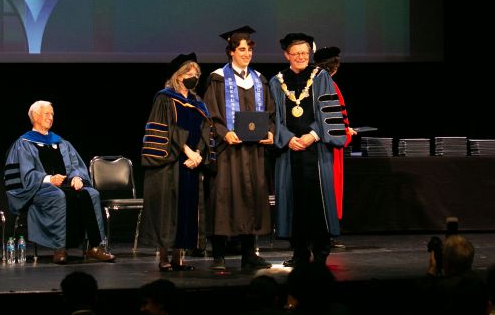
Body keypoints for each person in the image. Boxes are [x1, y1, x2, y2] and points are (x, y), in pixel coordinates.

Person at [4, 101, 115, 264]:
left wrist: (77, 177)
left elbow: (75, 165)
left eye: (52, 114)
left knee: (91, 193)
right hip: (39, 189)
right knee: (58, 195)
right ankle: (60, 248)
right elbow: (24, 175)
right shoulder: (23, 144)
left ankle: (94, 247)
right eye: (46, 114)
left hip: (66, 185)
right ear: (35, 116)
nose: (51, 117)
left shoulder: (61, 142)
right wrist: (49, 179)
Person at [269, 33, 347, 267]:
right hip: (289, 150)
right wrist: (287, 138)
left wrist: (313, 135)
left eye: (305, 53)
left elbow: (328, 110)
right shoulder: (276, 81)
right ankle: (299, 252)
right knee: (293, 201)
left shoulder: (321, 77)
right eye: (296, 53)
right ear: (287, 55)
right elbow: (273, 118)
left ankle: (321, 251)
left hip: (316, 149)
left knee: (318, 200)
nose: (301, 57)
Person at [203, 25, 274, 271]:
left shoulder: (259, 80)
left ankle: (249, 254)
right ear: (231, 52)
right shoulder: (217, 79)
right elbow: (210, 114)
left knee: (251, 197)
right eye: (241, 49)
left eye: (249, 50)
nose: (246, 54)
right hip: (228, 153)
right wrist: (225, 132)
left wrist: (270, 133)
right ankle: (219, 255)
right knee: (224, 200)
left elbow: (270, 114)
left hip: (253, 152)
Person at [140, 53, 211, 271]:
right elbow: (165, 130)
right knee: (167, 211)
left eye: (196, 74)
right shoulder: (165, 98)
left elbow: (206, 130)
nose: (194, 77)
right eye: (189, 73)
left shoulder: (198, 102)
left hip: (191, 165)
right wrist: (188, 151)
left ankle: (179, 257)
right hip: (169, 163)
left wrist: (198, 154)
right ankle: (163, 258)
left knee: (187, 209)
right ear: (178, 77)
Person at [313, 46, 357, 227]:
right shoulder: (330, 85)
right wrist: (345, 132)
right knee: (329, 188)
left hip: (320, 143)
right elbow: (331, 120)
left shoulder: (314, 83)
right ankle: (328, 229)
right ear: (334, 67)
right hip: (329, 148)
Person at [418, 234, 488, 315]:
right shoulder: (479, 283)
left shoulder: (442, 287)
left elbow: (422, 303)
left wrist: (431, 269)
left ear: (447, 262)